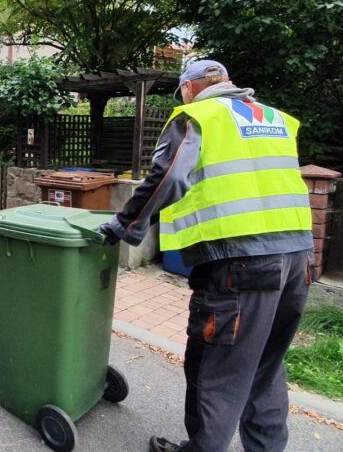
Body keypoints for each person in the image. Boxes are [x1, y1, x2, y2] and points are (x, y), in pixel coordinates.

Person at [97, 60, 314, 452]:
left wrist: (125, 225)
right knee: (265, 367)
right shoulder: (277, 120)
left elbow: (167, 178)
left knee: (215, 370)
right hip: (298, 261)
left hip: (240, 265)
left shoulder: (198, 117)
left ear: (189, 88)